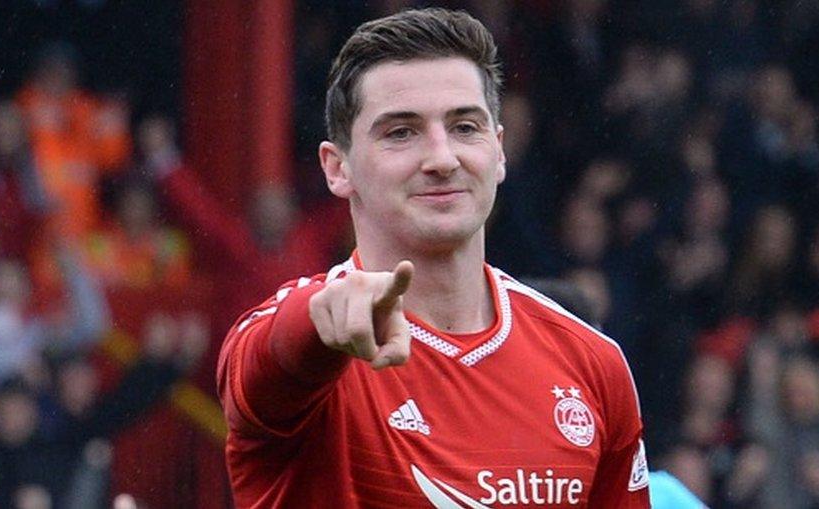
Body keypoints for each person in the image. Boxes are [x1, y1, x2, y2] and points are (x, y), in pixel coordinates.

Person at [217, 8, 649, 508]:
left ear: (500, 151)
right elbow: (265, 370)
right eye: (401, 132)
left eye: (466, 127)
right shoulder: (307, 341)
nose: (443, 158)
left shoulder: (593, 363)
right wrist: (320, 322)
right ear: (338, 169)